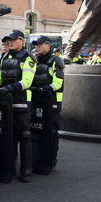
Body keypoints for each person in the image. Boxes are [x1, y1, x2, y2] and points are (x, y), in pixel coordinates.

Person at [0, 29, 36, 182]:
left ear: (22, 41)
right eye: (8, 40)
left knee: (24, 135)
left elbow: (27, 81)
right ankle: (9, 167)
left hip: (21, 101)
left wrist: (10, 88)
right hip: (5, 102)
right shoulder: (4, 57)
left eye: (13, 39)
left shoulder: (28, 58)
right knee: (8, 136)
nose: (10, 42)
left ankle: (26, 169)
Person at [31, 35, 64, 168]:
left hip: (52, 102)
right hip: (37, 101)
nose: (37, 47)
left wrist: (43, 89)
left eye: (40, 44)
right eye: (36, 45)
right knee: (36, 131)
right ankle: (37, 159)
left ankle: (51, 159)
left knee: (51, 132)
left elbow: (58, 83)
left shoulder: (56, 61)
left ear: (48, 45)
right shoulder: (34, 60)